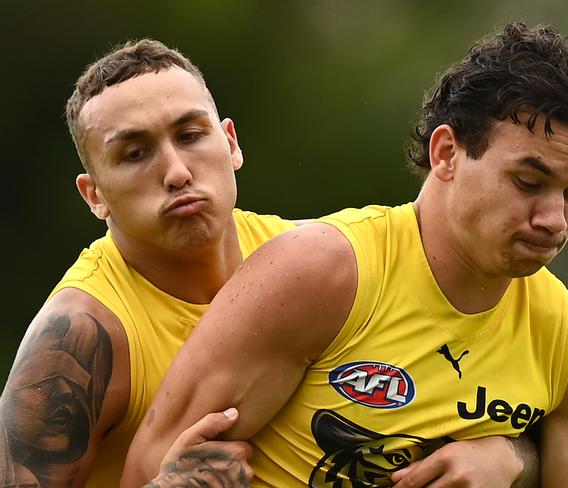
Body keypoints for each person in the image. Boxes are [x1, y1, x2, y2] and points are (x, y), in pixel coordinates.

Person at [0, 39, 533, 487]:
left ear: (230, 142)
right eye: (134, 152)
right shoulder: (77, 339)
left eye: (190, 135)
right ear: (95, 196)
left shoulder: (320, 263)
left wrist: (509, 458)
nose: (178, 172)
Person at [123, 22, 568, 488]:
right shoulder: (322, 271)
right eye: (528, 182)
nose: (553, 220)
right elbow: (152, 465)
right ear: (446, 153)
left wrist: (513, 458)